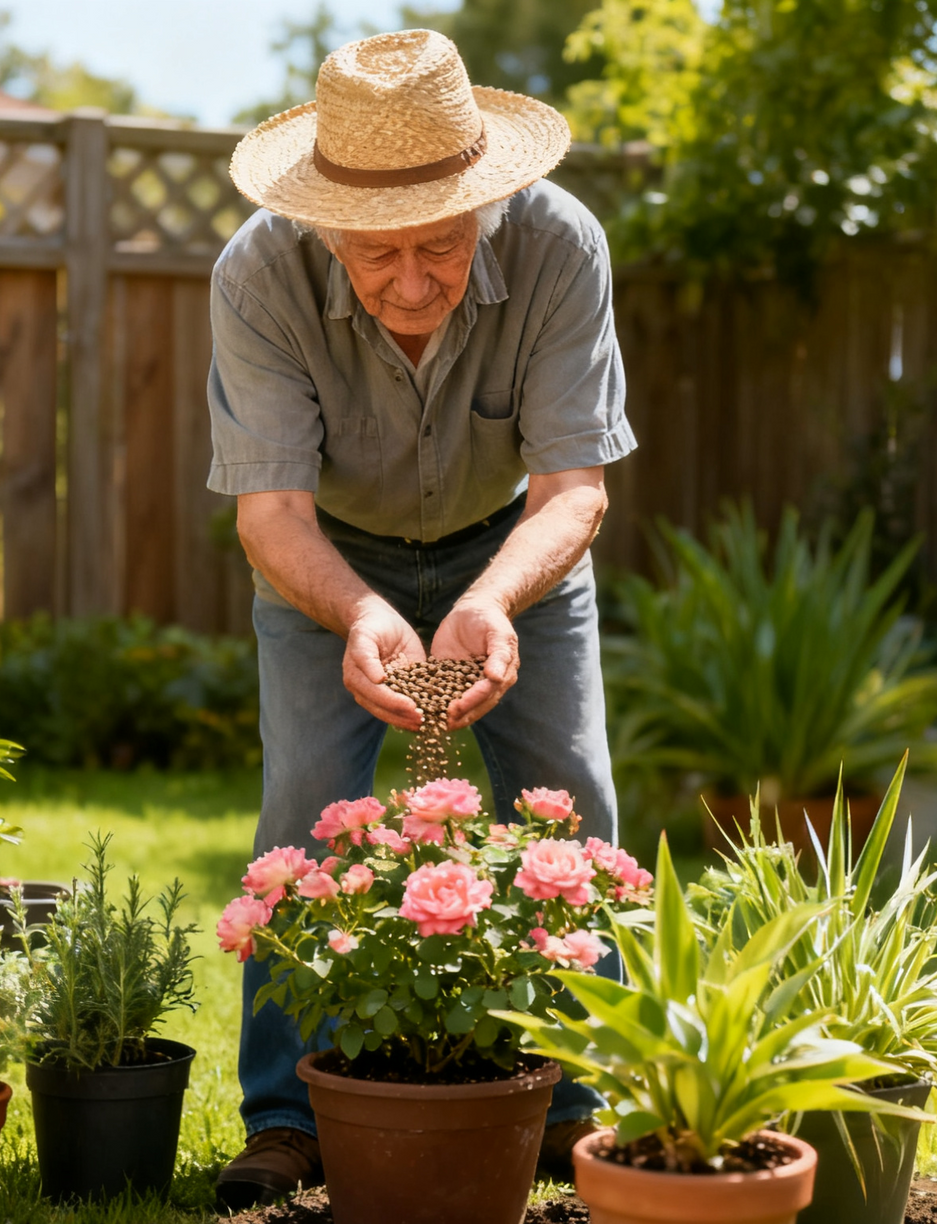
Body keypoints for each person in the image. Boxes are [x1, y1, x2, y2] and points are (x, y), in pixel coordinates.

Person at [206, 27, 637, 1210]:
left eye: (439, 246)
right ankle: (288, 1118)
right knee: (306, 809)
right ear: (324, 224)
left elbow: (572, 490)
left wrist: (494, 595)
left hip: (512, 546)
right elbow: (268, 514)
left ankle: (577, 1104)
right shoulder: (257, 274)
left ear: (487, 209)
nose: (407, 282)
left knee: (577, 797)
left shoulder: (559, 247)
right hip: (326, 559)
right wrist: (358, 614)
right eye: (375, 252)